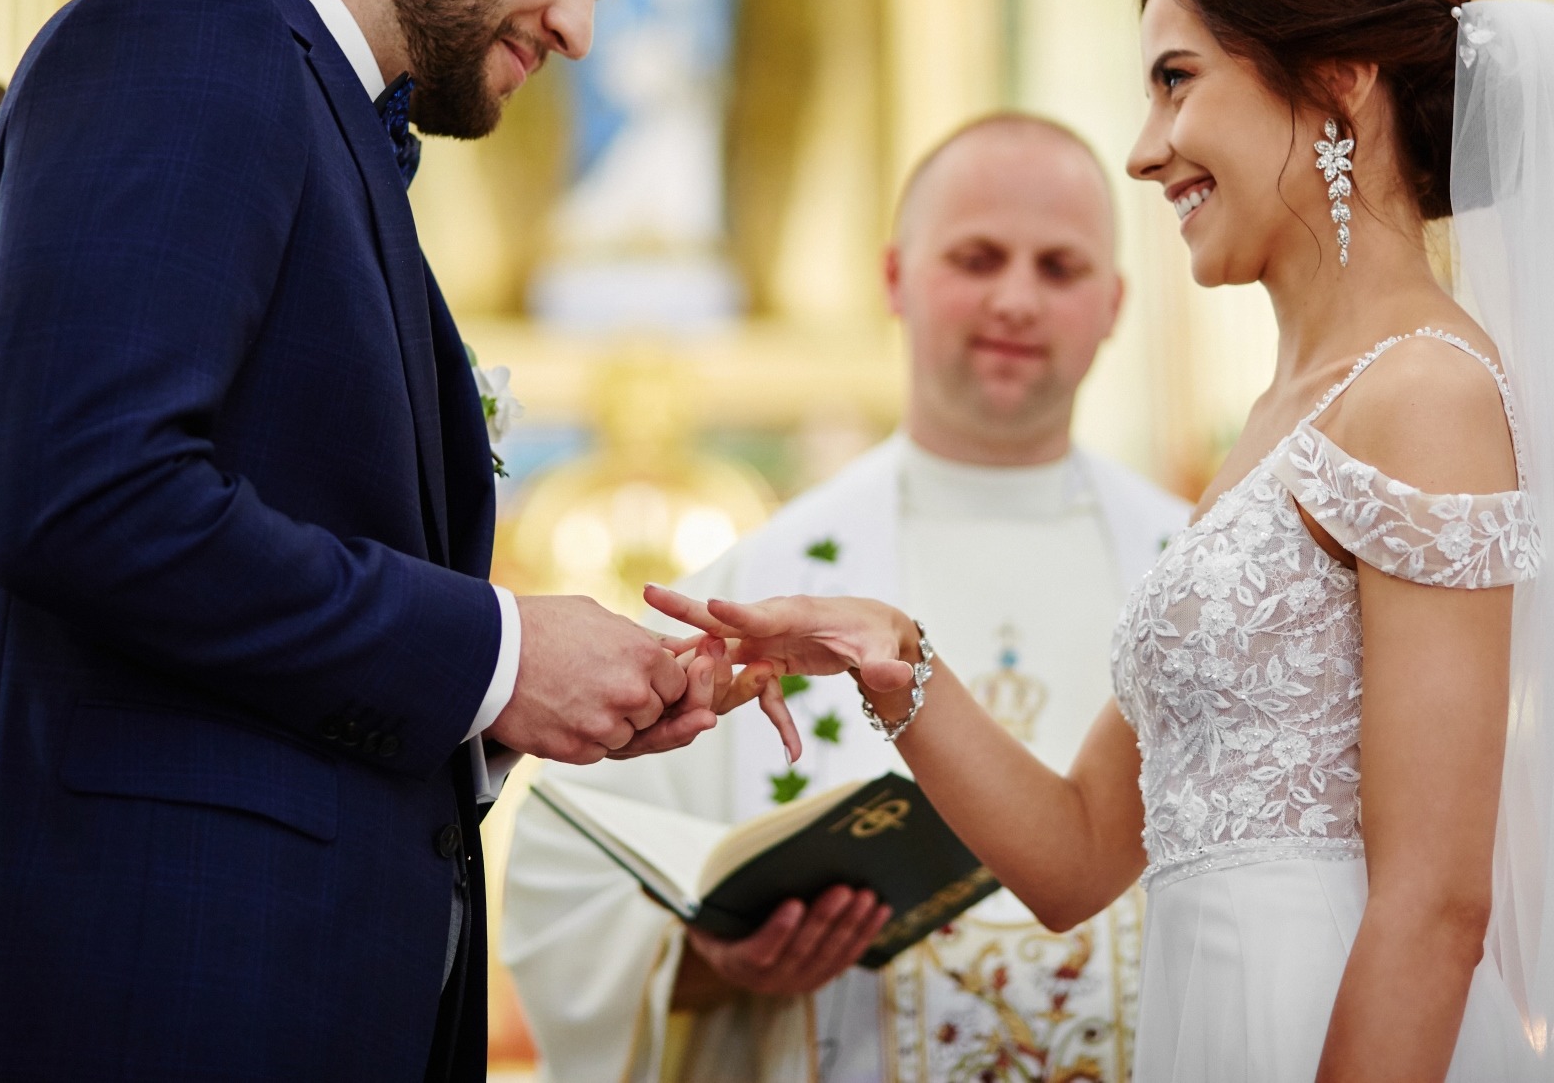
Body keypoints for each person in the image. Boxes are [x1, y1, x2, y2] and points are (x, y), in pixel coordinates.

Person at [650, 0, 1554, 1081]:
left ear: (1335, 86)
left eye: (1175, 80)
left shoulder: (1427, 394)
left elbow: (1434, 905)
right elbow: (1079, 854)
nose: (1145, 155)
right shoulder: (1281, 419)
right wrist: (888, 655)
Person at [0, 0, 780, 1080]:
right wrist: (499, 654)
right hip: (150, 993)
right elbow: (86, 496)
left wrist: (511, 702)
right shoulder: (189, 41)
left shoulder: (334, 134)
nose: (583, 27)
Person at [504, 114, 1190, 1083]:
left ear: (1114, 302)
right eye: (976, 256)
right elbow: (563, 872)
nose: (1014, 299)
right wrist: (707, 960)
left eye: (1059, 268)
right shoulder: (762, 590)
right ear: (894, 278)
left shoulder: (1194, 569)